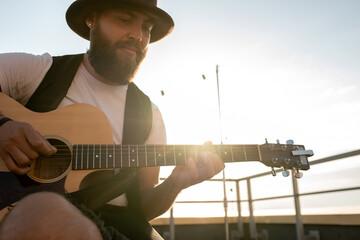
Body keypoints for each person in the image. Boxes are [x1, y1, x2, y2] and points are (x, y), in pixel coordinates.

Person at [0, 0, 225, 239]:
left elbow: (140, 209)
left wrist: (175, 183)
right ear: (92, 19)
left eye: (146, 28)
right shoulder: (40, 71)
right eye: (125, 20)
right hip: (31, 218)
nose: (138, 36)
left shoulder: (149, 114)